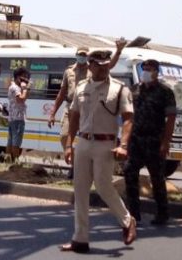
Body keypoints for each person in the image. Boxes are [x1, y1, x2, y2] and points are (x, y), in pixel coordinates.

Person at [61, 50, 136, 253]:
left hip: (106, 143)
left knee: (103, 186)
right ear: (90, 65)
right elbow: (74, 116)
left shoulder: (119, 89)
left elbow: (128, 118)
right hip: (84, 142)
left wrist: (124, 145)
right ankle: (80, 238)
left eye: (106, 64)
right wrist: (69, 145)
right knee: (80, 190)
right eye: (99, 65)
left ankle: (128, 220)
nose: (103, 68)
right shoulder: (81, 87)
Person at [48, 39, 127, 178]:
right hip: (70, 107)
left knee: (86, 138)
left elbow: (109, 65)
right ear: (76, 55)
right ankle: (74, 163)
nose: (82, 57)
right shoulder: (69, 72)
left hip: (87, 107)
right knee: (64, 136)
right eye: (80, 55)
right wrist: (53, 112)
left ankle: (80, 169)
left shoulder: (93, 70)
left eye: (85, 55)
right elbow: (62, 93)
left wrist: (118, 51)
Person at [124, 59, 177, 225]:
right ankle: (133, 214)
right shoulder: (135, 91)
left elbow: (171, 118)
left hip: (155, 140)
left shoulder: (165, 92)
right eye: (144, 69)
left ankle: (162, 213)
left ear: (156, 72)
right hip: (136, 140)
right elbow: (127, 115)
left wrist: (165, 142)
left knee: (157, 177)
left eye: (150, 69)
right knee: (129, 171)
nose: (146, 71)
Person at [7, 67, 30, 162]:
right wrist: (25, 89)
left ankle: (8, 160)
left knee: (11, 141)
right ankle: (15, 162)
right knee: (16, 142)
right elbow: (20, 99)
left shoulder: (14, 87)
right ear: (17, 77)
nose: (25, 79)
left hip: (13, 118)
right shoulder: (15, 88)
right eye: (23, 77)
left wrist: (26, 89)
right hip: (17, 118)